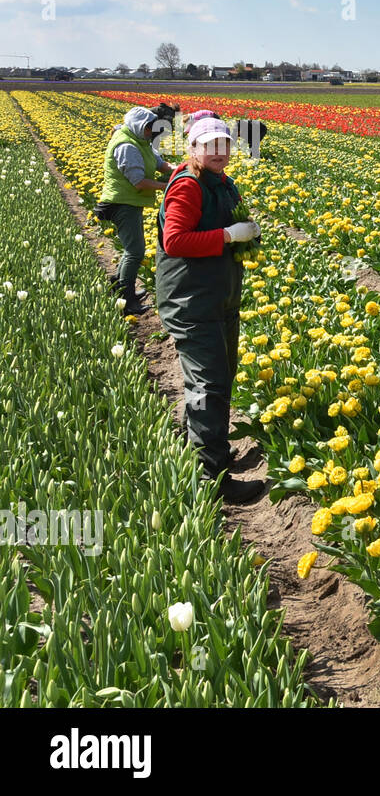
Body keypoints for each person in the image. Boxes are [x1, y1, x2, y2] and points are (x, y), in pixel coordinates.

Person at [155, 115, 266, 505]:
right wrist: (226, 236)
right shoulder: (187, 185)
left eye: (225, 145)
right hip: (191, 299)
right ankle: (210, 478)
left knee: (220, 378)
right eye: (210, 146)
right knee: (208, 383)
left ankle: (207, 446)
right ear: (193, 149)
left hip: (217, 296)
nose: (220, 152)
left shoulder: (221, 181)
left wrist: (246, 232)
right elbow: (176, 241)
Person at [95, 104, 181, 315]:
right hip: (122, 202)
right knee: (135, 252)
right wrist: (167, 186)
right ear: (139, 126)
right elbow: (139, 182)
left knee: (131, 250)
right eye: (148, 128)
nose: (151, 132)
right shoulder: (127, 146)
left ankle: (119, 287)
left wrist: (182, 169)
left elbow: (160, 164)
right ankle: (126, 300)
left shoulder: (139, 140)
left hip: (130, 201)